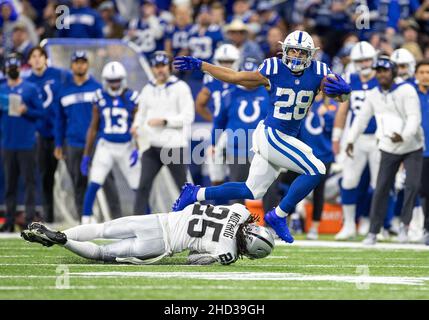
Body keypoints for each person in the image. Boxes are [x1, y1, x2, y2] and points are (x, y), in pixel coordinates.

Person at [173, 30, 351, 243]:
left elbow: (338, 96)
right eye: (292, 51)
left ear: (310, 55)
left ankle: (194, 194)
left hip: (283, 137)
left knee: (251, 190)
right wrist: (202, 65)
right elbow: (236, 76)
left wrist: (345, 92)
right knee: (317, 169)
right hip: (273, 135)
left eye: (301, 52)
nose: (296, 56)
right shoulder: (273, 68)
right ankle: (278, 215)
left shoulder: (320, 71)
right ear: (284, 50)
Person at [21, 203, 275, 265]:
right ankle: (64, 242)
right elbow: (191, 259)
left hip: (157, 220)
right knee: (102, 253)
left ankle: (59, 233)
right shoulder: (227, 252)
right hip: (161, 244)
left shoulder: (240, 211)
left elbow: (215, 200)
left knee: (101, 229)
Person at [346, 56, 424, 245]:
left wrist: (404, 136)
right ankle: (373, 232)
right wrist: (350, 139)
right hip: (388, 146)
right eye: (378, 71)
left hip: (412, 145)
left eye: (385, 70)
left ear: (394, 71)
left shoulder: (406, 90)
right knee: (380, 188)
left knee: (412, 186)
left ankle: (405, 227)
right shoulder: (373, 94)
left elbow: (414, 117)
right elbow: (361, 119)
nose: (381, 74)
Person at [55, 51, 120, 221]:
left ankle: (118, 220)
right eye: (77, 62)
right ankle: (84, 222)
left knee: (108, 183)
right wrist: (58, 144)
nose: (80, 65)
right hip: (74, 143)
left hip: (98, 143)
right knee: (79, 184)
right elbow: (59, 119)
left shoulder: (98, 88)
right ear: (71, 65)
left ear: (88, 65)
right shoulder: (64, 90)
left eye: (83, 62)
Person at [132, 51, 194, 214]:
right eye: (157, 66)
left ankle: (195, 219)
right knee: (143, 186)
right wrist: (136, 126)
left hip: (173, 146)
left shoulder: (180, 87)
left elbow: (188, 116)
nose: (160, 70)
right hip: (152, 146)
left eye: (163, 66)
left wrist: (166, 121)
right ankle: (137, 223)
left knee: (184, 187)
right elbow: (141, 113)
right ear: (153, 68)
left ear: (169, 67)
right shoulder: (148, 89)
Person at [80, 61, 141, 224]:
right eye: (111, 80)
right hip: (105, 146)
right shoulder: (99, 97)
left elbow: (139, 126)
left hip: (127, 147)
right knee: (94, 183)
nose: (114, 84)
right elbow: (93, 127)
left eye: (117, 80)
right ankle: (84, 221)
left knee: (138, 187)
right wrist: (86, 155)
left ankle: (146, 220)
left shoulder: (132, 98)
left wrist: (139, 149)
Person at [332, 41, 380, 240]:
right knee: (349, 180)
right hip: (356, 138)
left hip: (380, 138)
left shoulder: (383, 78)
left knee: (381, 184)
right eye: (360, 60)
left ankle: (376, 223)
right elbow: (343, 110)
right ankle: (349, 224)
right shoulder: (350, 79)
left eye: (367, 59)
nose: (364, 63)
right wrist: (337, 136)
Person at [211, 58, 269, 204]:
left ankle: (272, 225)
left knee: (270, 190)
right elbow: (219, 121)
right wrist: (213, 143)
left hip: (264, 150)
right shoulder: (229, 94)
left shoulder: (269, 92)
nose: (249, 80)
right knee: (236, 190)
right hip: (237, 150)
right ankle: (236, 225)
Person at [0, 54, 43, 232]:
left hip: (26, 142)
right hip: (8, 142)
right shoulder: (1, 89)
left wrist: (27, 110)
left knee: (29, 182)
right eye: (9, 68)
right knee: (9, 183)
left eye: (14, 67)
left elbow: (40, 112)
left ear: (20, 69)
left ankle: (29, 218)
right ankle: (9, 220)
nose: (12, 71)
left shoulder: (30, 88)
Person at [27, 46, 68, 223]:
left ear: (45, 58)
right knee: (46, 178)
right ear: (29, 61)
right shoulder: (27, 82)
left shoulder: (59, 74)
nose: (37, 59)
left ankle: (84, 216)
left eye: (40, 56)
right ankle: (49, 218)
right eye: (33, 57)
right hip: (42, 135)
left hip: (62, 133)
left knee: (74, 175)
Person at [196, 44, 240, 185]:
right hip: (220, 129)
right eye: (222, 62)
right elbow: (199, 104)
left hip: (239, 128)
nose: (226, 65)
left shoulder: (243, 78)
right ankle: (219, 204)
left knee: (241, 171)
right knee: (215, 170)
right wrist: (215, 119)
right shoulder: (210, 79)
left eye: (229, 62)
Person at [413, 60, 429, 245]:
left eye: (428, 72)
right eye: (422, 72)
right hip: (418, 150)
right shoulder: (410, 94)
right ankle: (421, 228)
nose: (425, 75)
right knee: (421, 191)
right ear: (416, 74)